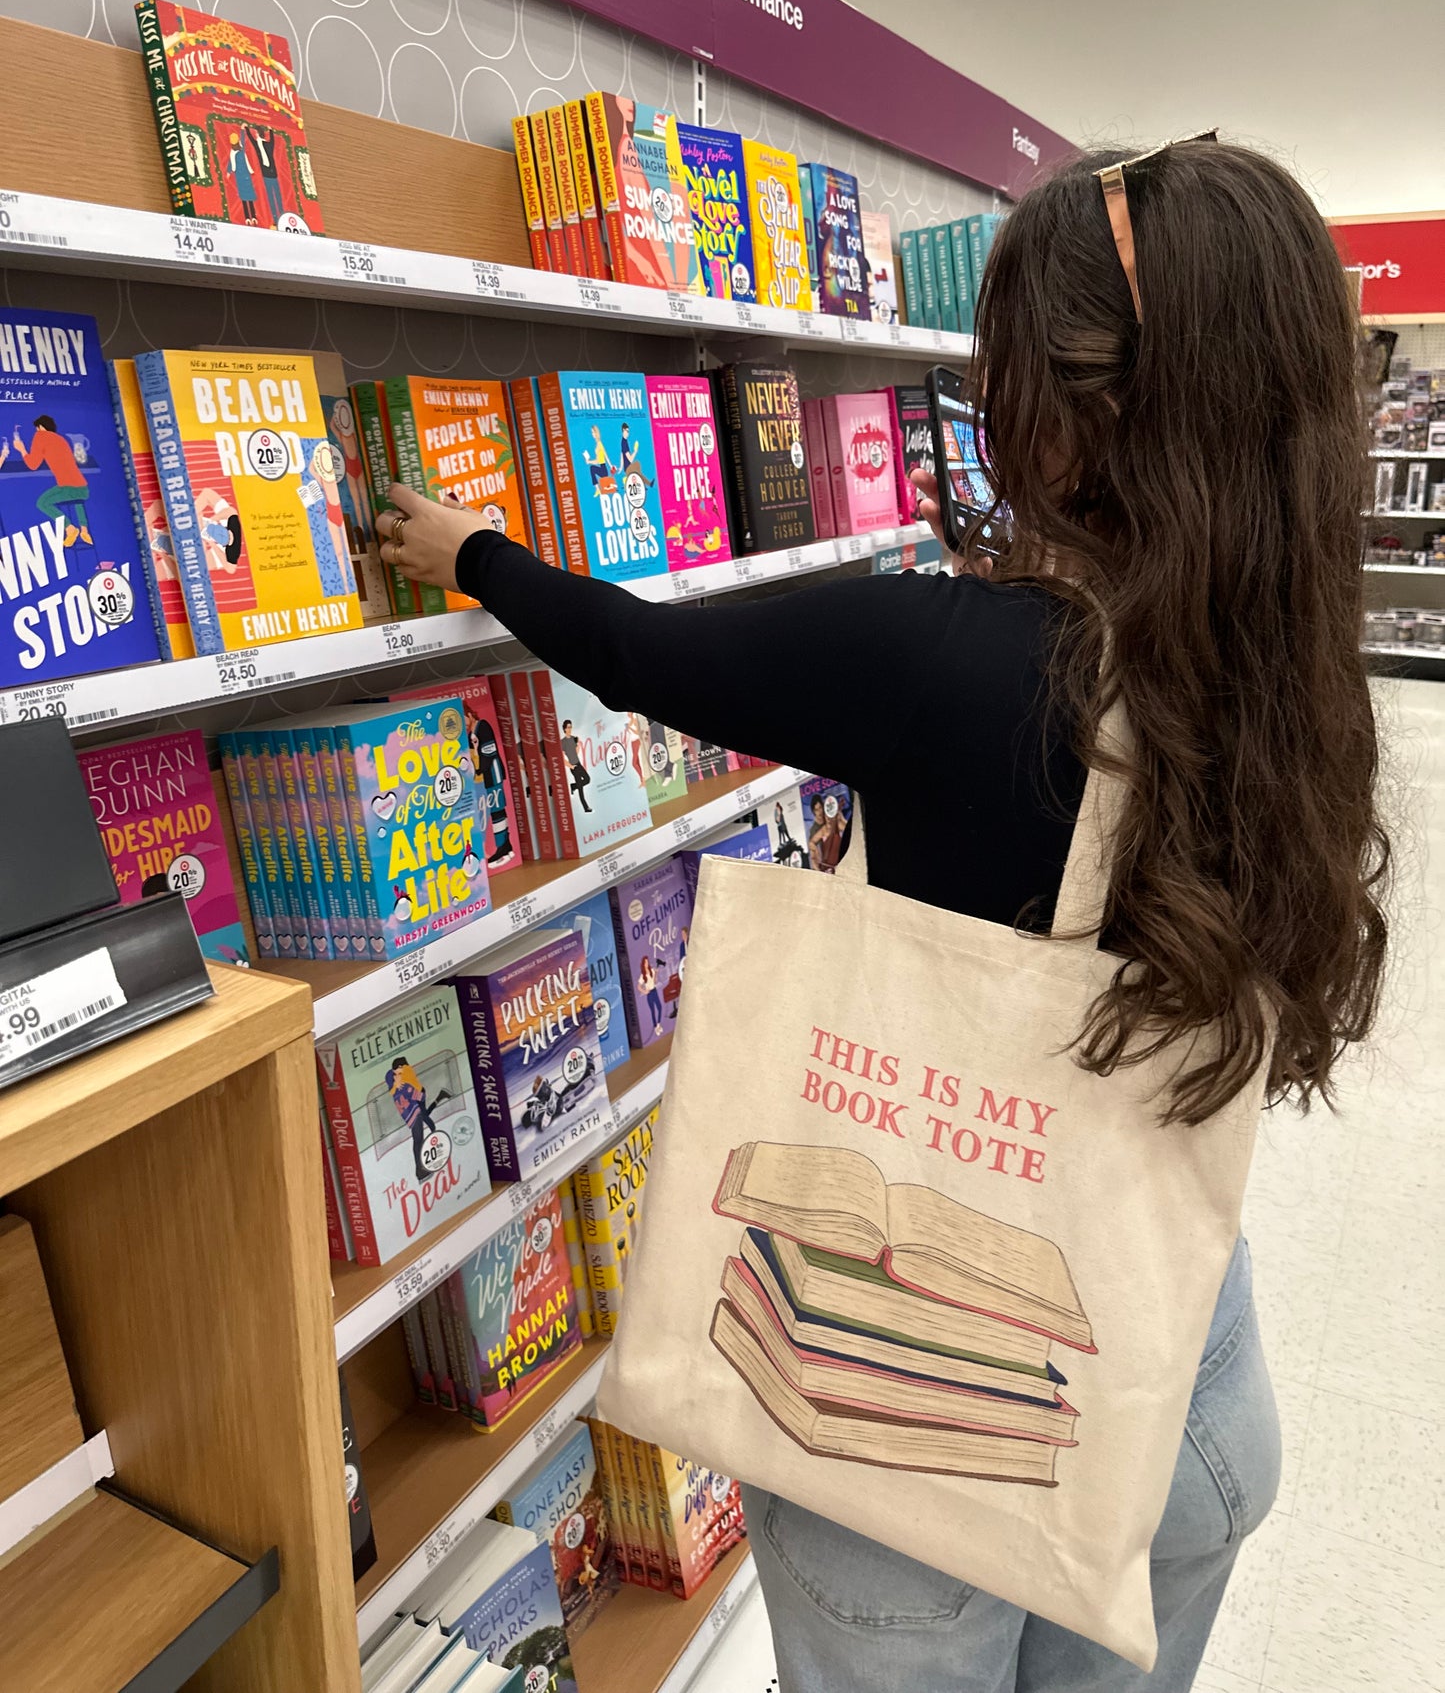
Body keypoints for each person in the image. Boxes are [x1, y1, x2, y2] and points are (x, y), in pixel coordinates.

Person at [374, 138, 1388, 1691]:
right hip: (1181, 1370)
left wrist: (472, 554)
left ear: (1064, 423)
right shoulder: (1290, 676)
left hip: (924, 1405)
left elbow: (648, 658)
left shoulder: (949, 658)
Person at [13, 415, 91, 547]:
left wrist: (21, 449)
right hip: (83, 489)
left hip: (68, 489)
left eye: (36, 428)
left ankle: (69, 528)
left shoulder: (40, 436)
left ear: (41, 427)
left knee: (42, 503)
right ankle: (84, 530)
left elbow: (33, 465)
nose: (36, 431)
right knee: (76, 499)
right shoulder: (60, 439)